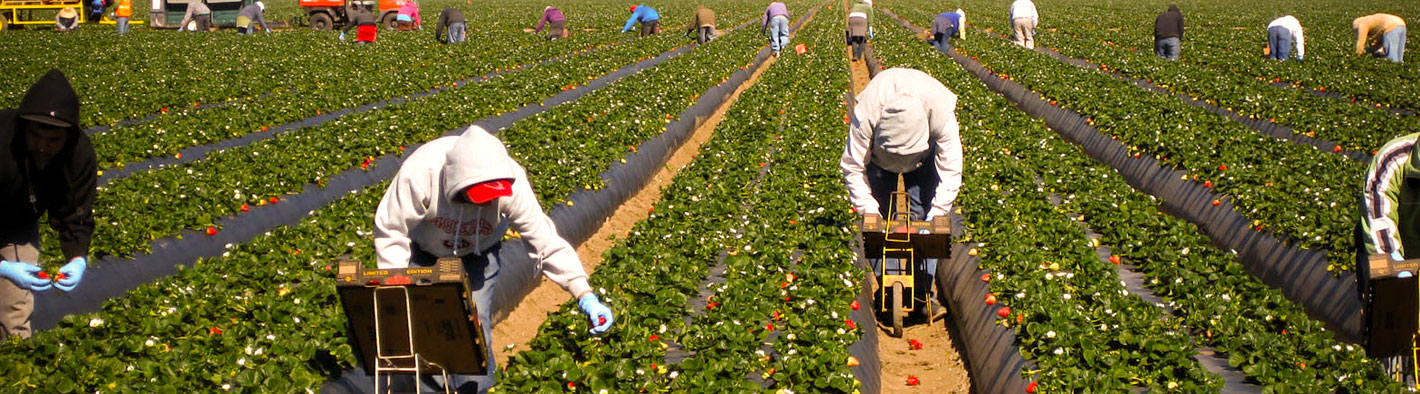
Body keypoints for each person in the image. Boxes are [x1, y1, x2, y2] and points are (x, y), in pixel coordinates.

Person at [374, 126, 614, 392]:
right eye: (479, 199)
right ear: (457, 185)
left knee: (473, 332)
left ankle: (476, 388)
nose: (486, 206)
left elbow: (545, 240)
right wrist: (394, 280)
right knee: (424, 333)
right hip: (424, 253)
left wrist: (584, 293)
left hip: (478, 256)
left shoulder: (513, 183)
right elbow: (391, 230)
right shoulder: (422, 172)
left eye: (492, 199)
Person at [840, 68, 961, 321]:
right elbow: (853, 166)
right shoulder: (868, 114)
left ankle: (923, 295)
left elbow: (951, 169)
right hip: (879, 162)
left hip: (923, 159)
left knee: (928, 220)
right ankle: (888, 288)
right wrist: (869, 209)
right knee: (876, 224)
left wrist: (936, 215)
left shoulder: (939, 111)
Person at [0, 69, 97, 341]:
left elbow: (76, 210)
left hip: (18, 223)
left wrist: (77, 256)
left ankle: (13, 359)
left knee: (14, 305)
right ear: (24, 128)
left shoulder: (79, 154)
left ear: (68, 137)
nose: (42, 146)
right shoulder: (2, 142)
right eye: (36, 136)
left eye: (53, 140)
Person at [1358, 132, 1420, 381]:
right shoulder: (1394, 159)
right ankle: (1391, 380)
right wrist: (1399, 273)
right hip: (1397, 252)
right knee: (1394, 322)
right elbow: (1378, 222)